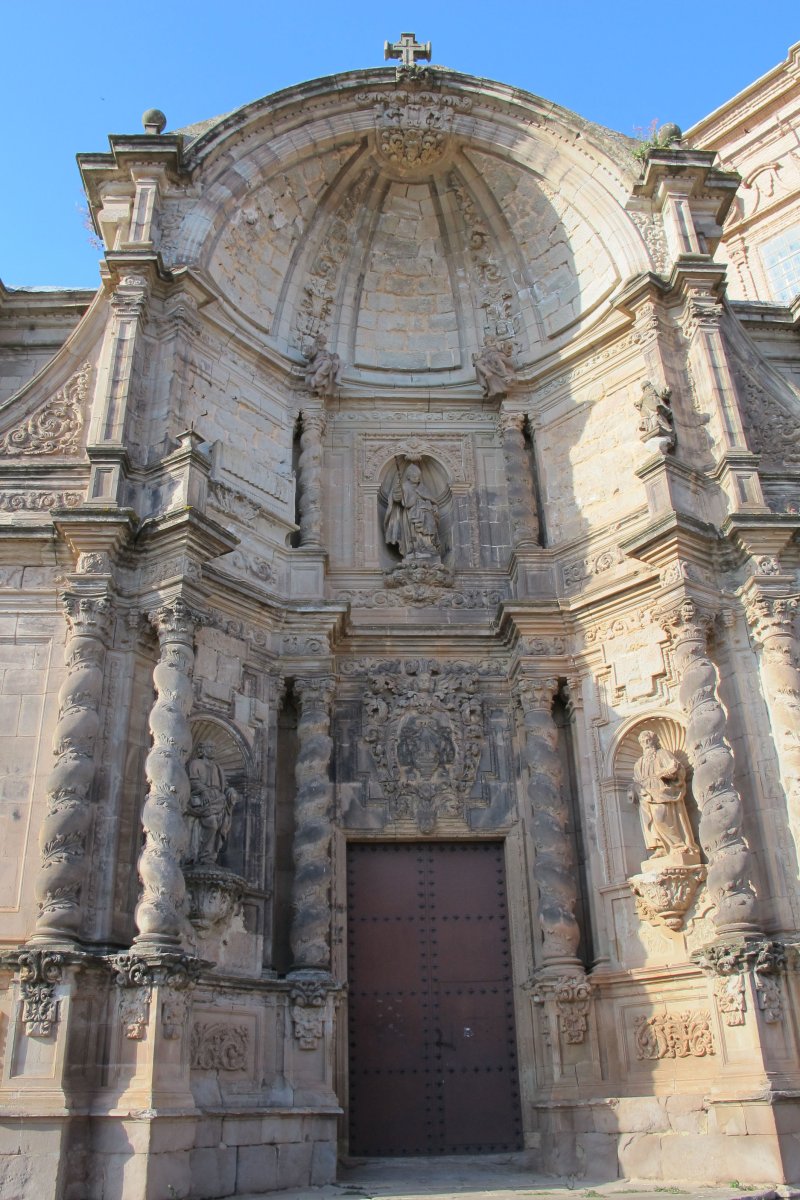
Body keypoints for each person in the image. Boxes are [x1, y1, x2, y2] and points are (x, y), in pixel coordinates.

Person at [628, 730, 697, 861]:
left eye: (647, 740)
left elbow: (677, 769)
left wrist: (667, 774)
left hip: (661, 791)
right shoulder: (639, 762)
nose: (645, 743)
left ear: (654, 741)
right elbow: (636, 781)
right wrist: (632, 790)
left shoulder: (663, 754)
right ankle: (660, 847)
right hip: (645, 795)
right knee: (651, 821)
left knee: (662, 817)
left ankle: (678, 845)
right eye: (642, 741)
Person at [185, 741, 238, 866]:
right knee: (212, 824)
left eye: (214, 747)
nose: (213, 749)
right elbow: (192, 781)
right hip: (202, 798)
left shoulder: (217, 767)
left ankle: (210, 856)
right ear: (202, 750)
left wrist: (231, 793)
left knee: (219, 827)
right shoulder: (195, 764)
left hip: (218, 800)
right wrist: (204, 791)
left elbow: (224, 786)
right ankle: (203, 856)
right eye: (210, 747)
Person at [383, 461, 440, 561]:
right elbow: (396, 498)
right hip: (410, 513)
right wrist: (397, 490)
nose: (416, 477)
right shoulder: (404, 486)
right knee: (413, 532)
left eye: (418, 475)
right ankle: (414, 549)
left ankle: (427, 547)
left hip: (426, 513)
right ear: (408, 476)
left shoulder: (423, 488)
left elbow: (432, 500)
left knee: (428, 530)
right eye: (414, 475)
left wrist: (434, 507)